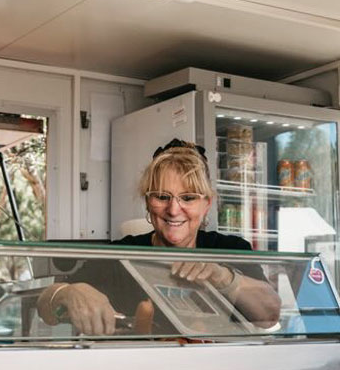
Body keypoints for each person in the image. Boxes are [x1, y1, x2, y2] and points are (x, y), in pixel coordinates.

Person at [38, 139, 281, 333]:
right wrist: (68, 293)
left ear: (206, 204)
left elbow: (269, 316)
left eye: (188, 198)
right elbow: (44, 309)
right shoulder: (121, 256)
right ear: (147, 202)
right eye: (162, 197)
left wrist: (224, 277)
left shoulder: (230, 249)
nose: (174, 210)